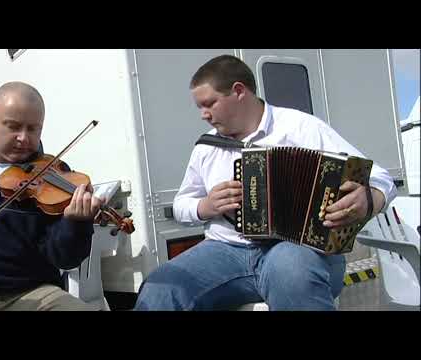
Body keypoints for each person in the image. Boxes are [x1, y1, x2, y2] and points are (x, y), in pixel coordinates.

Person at [134, 55, 397, 311]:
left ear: (239, 91)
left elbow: (381, 178)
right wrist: (205, 206)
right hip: (225, 251)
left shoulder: (300, 127)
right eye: (199, 107)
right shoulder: (207, 146)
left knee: (290, 270)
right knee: (159, 288)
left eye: (209, 103)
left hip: (298, 248)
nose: (203, 114)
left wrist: (369, 199)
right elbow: (181, 205)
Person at [0, 81, 104, 311]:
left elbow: (65, 259)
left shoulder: (56, 174)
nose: (24, 138)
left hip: (32, 294)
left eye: (33, 129)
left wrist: (76, 224)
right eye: (13, 126)